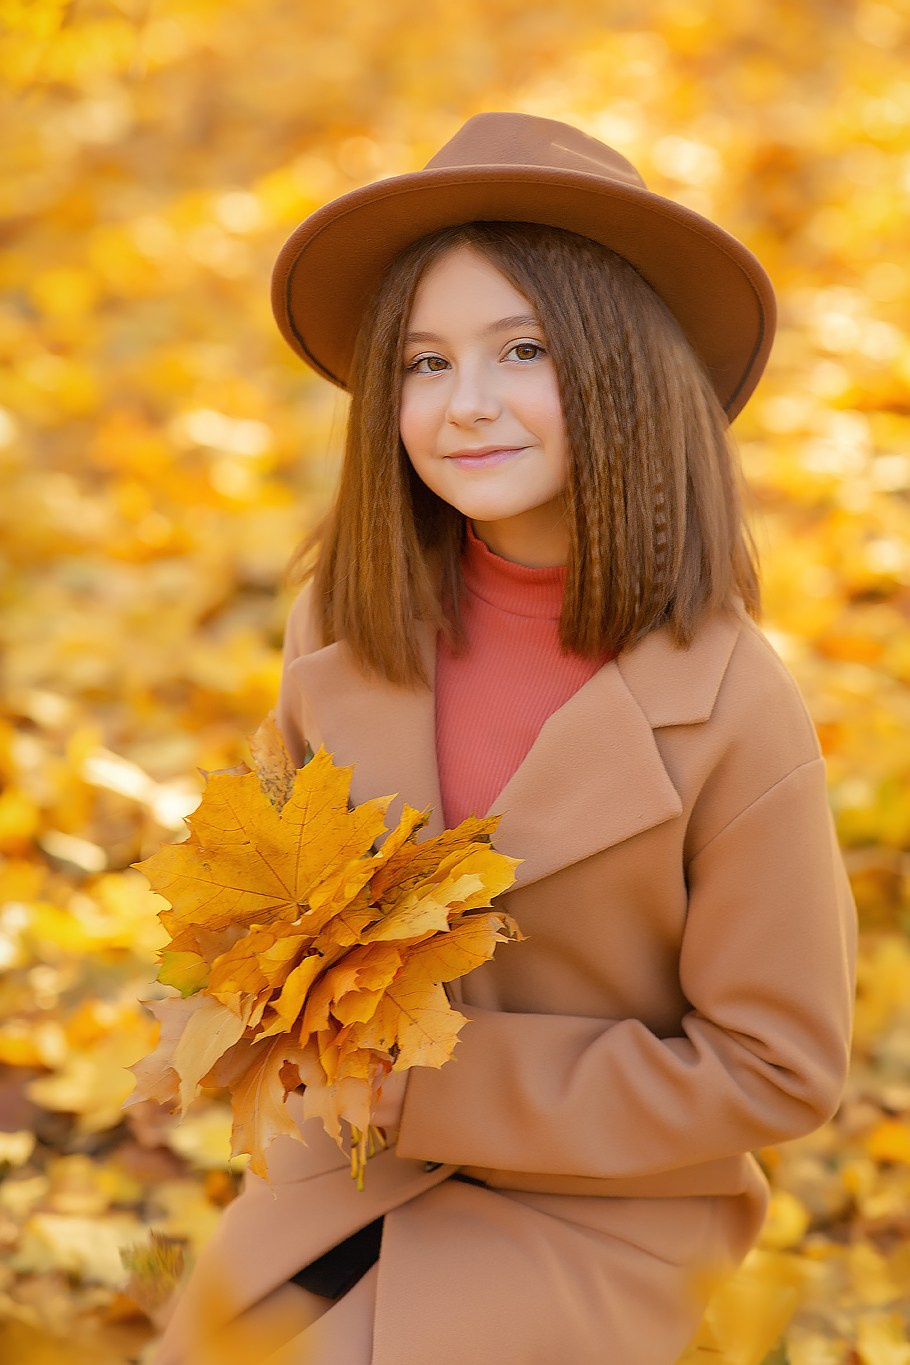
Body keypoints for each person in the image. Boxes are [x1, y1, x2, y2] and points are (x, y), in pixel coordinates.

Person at [152, 112, 856, 1365]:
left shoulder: (732, 703)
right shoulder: (347, 625)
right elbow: (271, 916)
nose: (463, 406)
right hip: (339, 1189)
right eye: (423, 364)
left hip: (605, 1220)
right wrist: (241, 1018)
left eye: (519, 350)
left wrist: (434, 1087)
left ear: (622, 376)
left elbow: (775, 1066)